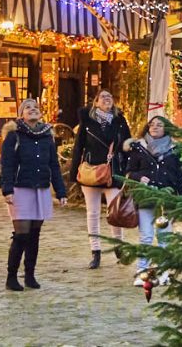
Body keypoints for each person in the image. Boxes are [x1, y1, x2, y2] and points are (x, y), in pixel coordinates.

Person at [0, 97, 68, 291]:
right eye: (27, 107)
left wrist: (61, 191)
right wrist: (8, 189)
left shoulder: (47, 135)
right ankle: (11, 276)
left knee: (34, 235)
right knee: (21, 234)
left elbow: (53, 164)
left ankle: (30, 275)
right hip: (21, 188)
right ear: (21, 114)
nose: (32, 110)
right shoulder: (15, 135)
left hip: (41, 188)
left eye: (35, 107)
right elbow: (8, 164)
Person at [124, 115, 182, 287]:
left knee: (164, 237)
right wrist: (139, 177)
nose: (154, 127)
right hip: (145, 197)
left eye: (159, 125)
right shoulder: (139, 147)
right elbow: (129, 172)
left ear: (165, 129)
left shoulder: (175, 150)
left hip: (166, 198)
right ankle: (141, 271)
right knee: (146, 236)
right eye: (152, 124)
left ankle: (163, 272)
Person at [70, 89, 132, 269]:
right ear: (96, 102)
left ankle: (119, 247)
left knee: (115, 213)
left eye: (110, 96)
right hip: (91, 171)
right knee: (93, 213)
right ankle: (95, 252)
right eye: (103, 97)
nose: (107, 99)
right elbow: (78, 147)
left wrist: (128, 170)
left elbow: (128, 145)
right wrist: (75, 173)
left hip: (113, 172)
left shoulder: (120, 121)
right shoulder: (87, 121)